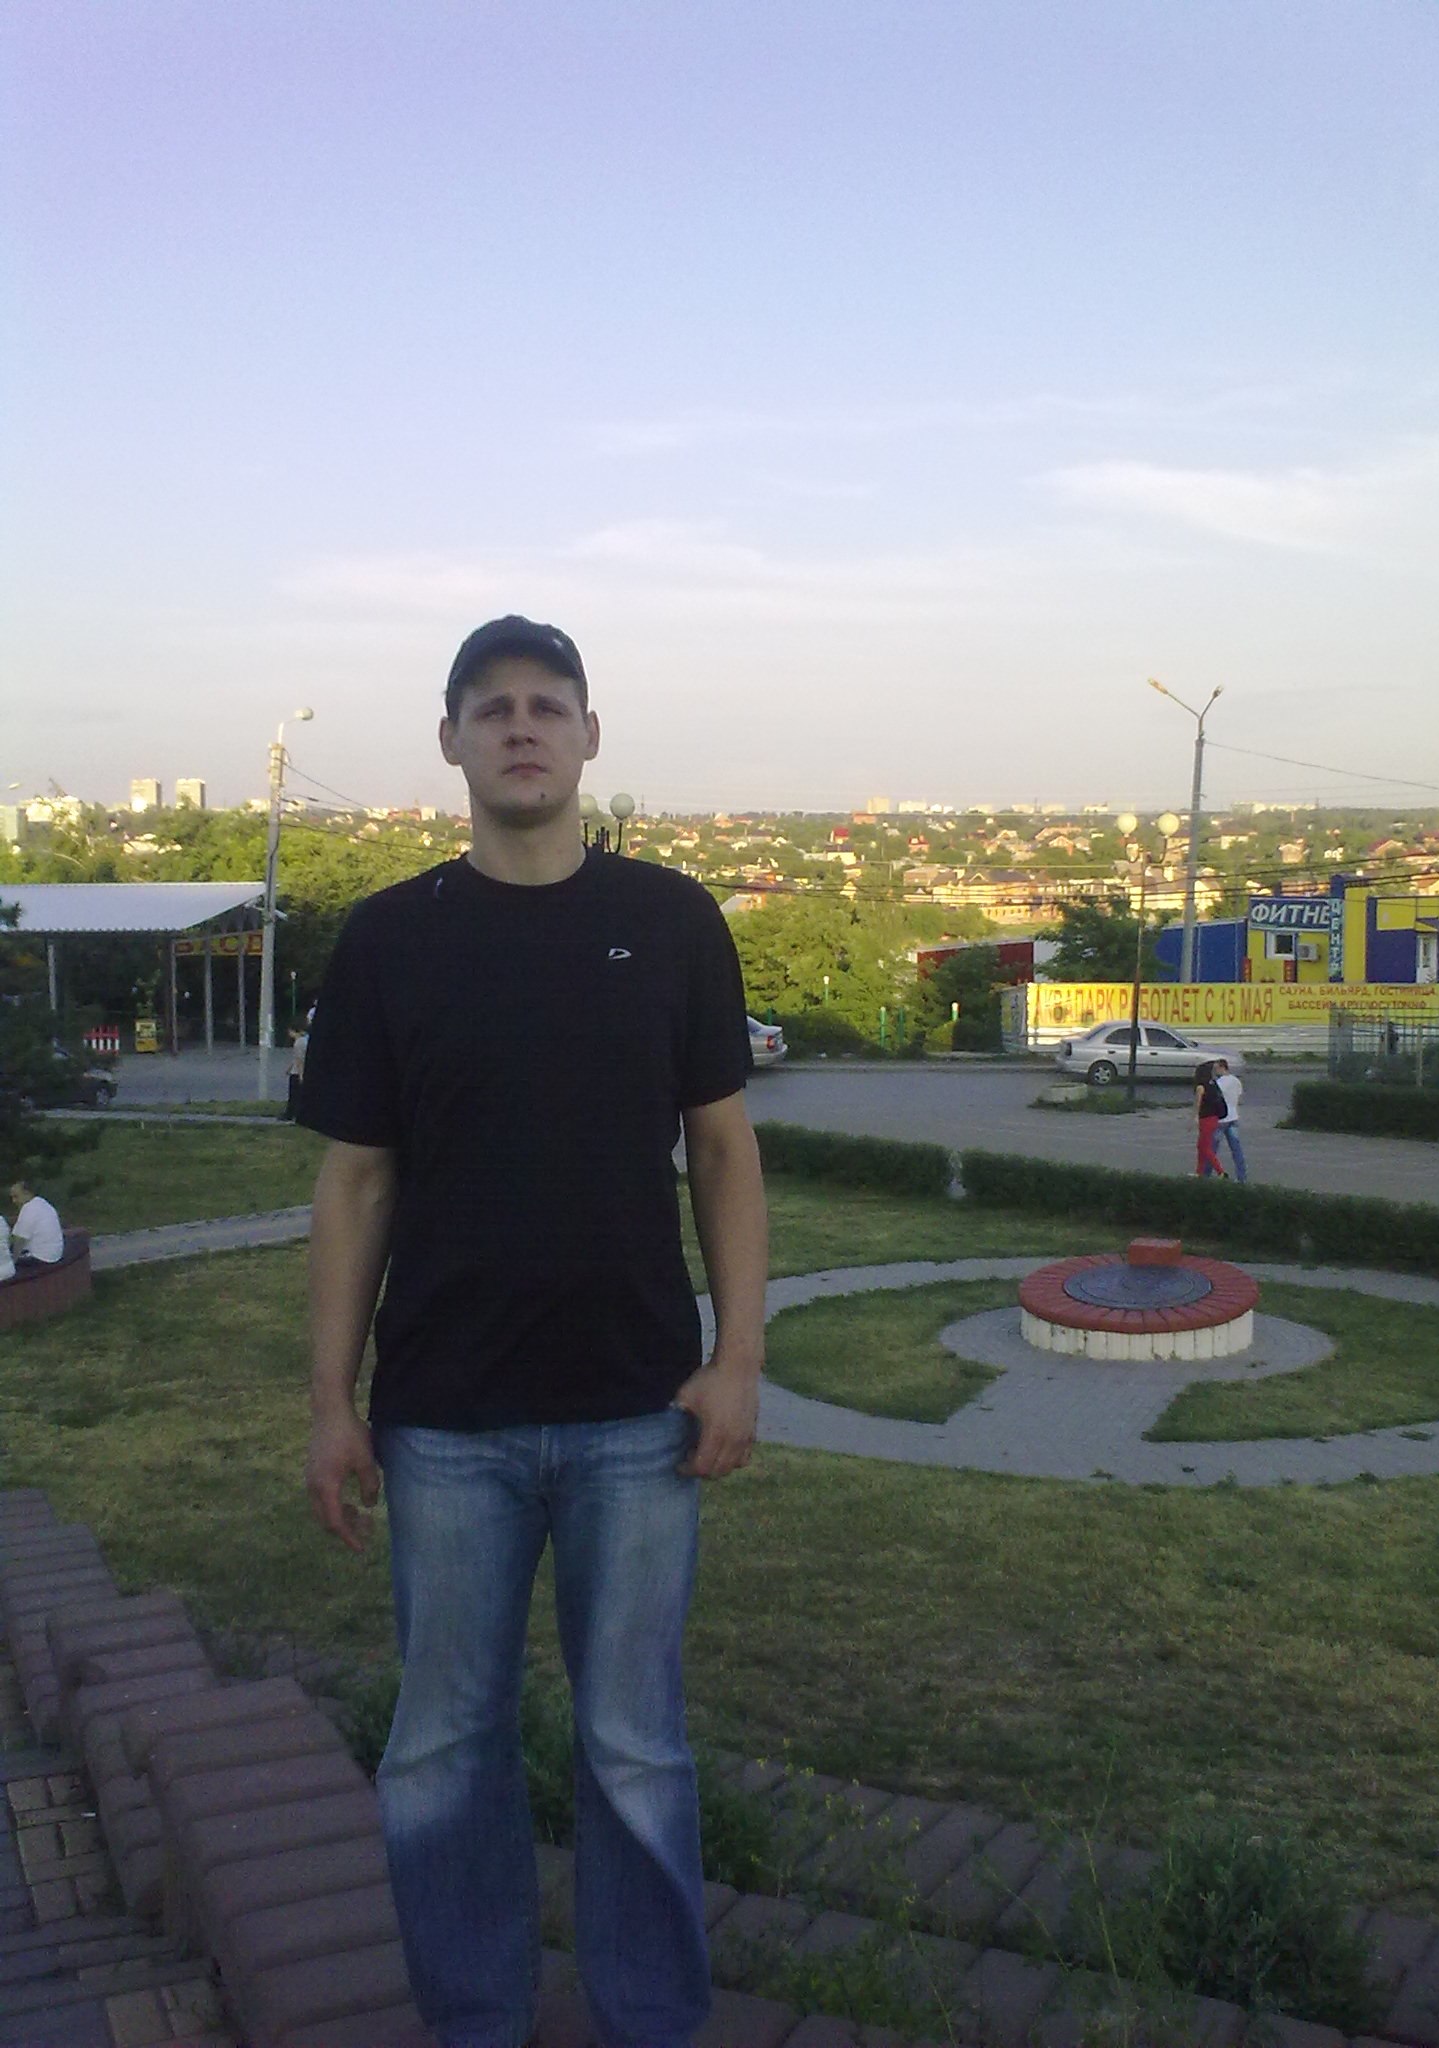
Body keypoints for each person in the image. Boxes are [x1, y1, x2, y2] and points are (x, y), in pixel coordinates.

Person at [299, 613, 767, 2048]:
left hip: (640, 1414)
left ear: (588, 737)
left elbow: (725, 1152)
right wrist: (331, 1400)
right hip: (444, 1422)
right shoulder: (389, 940)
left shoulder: (674, 921)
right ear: (449, 740)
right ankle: (476, 2018)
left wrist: (738, 1360)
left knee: (637, 1751)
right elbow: (356, 1180)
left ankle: (650, 2020)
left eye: (547, 704)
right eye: (491, 706)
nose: (520, 725)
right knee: (444, 1750)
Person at [9, 1181, 65, 1268]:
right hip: (55, 1254)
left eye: (16, 1197)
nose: (14, 1201)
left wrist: (12, 1262)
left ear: (27, 1193)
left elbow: (20, 1240)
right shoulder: (41, 1202)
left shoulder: (29, 1209)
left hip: (41, 1258)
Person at [1213, 1058, 1247, 1182]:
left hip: (1221, 1120)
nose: (1215, 1071)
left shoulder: (1219, 1083)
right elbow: (1240, 1098)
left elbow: (1215, 1099)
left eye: (1216, 1068)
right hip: (1234, 1117)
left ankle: (1205, 1175)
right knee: (1236, 1150)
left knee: (1211, 1149)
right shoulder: (1236, 1081)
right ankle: (1241, 1177)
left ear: (1222, 1068)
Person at [1193, 1063, 1227, 1179]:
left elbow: (1198, 1104)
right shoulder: (1213, 1085)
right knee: (1201, 1146)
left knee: (1205, 1147)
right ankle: (1199, 1172)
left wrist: (1194, 1117)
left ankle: (1220, 1171)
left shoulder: (1200, 1087)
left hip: (1205, 1119)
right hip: (1214, 1118)